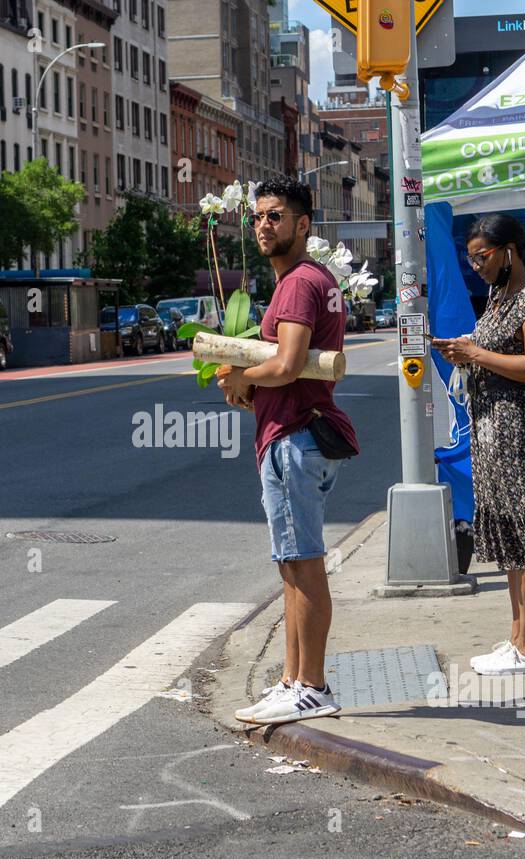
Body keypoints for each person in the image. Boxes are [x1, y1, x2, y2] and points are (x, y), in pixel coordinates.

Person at [220, 175, 359, 725]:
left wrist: (241, 380)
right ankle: (292, 680)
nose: (262, 224)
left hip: (295, 436)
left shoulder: (300, 281)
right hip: (292, 433)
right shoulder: (307, 279)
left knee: (304, 565)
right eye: (257, 216)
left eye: (274, 216)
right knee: (291, 566)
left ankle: (314, 686)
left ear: (303, 225)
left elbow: (287, 363)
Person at [433, 214, 525, 677]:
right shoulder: (498, 296)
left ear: (509, 250)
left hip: (521, 434)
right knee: (510, 538)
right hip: (492, 433)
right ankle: (516, 638)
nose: (476, 267)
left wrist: (477, 354)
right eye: (470, 260)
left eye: (482, 257)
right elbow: (493, 350)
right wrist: (465, 347)